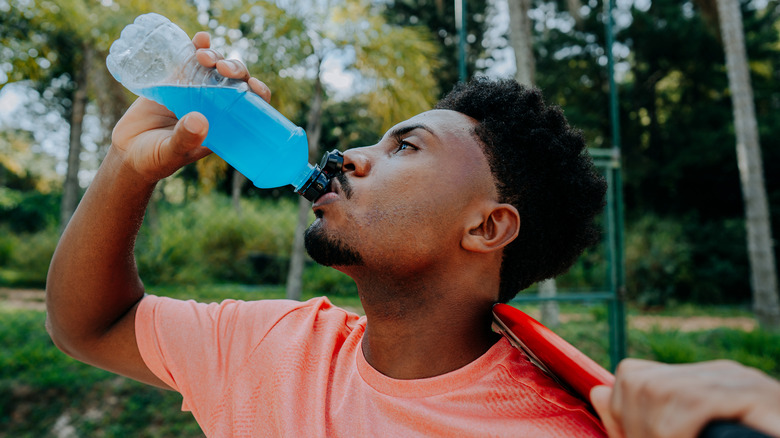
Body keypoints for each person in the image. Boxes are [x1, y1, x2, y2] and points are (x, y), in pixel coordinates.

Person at [45, 32, 780, 438]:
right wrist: (128, 166)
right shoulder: (273, 348)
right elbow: (92, 323)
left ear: (488, 226)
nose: (353, 155)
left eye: (406, 147)